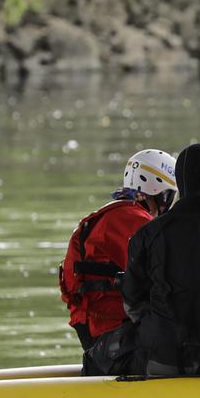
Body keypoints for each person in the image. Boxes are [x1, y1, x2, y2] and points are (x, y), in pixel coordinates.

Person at [86, 143, 200, 378]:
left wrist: (157, 328)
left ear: (180, 182)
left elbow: (133, 302)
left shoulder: (148, 234)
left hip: (161, 356)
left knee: (94, 358)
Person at [58, 149, 176, 355]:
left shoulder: (109, 214)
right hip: (113, 329)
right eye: (168, 196)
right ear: (160, 192)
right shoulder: (137, 221)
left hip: (93, 326)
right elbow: (165, 278)